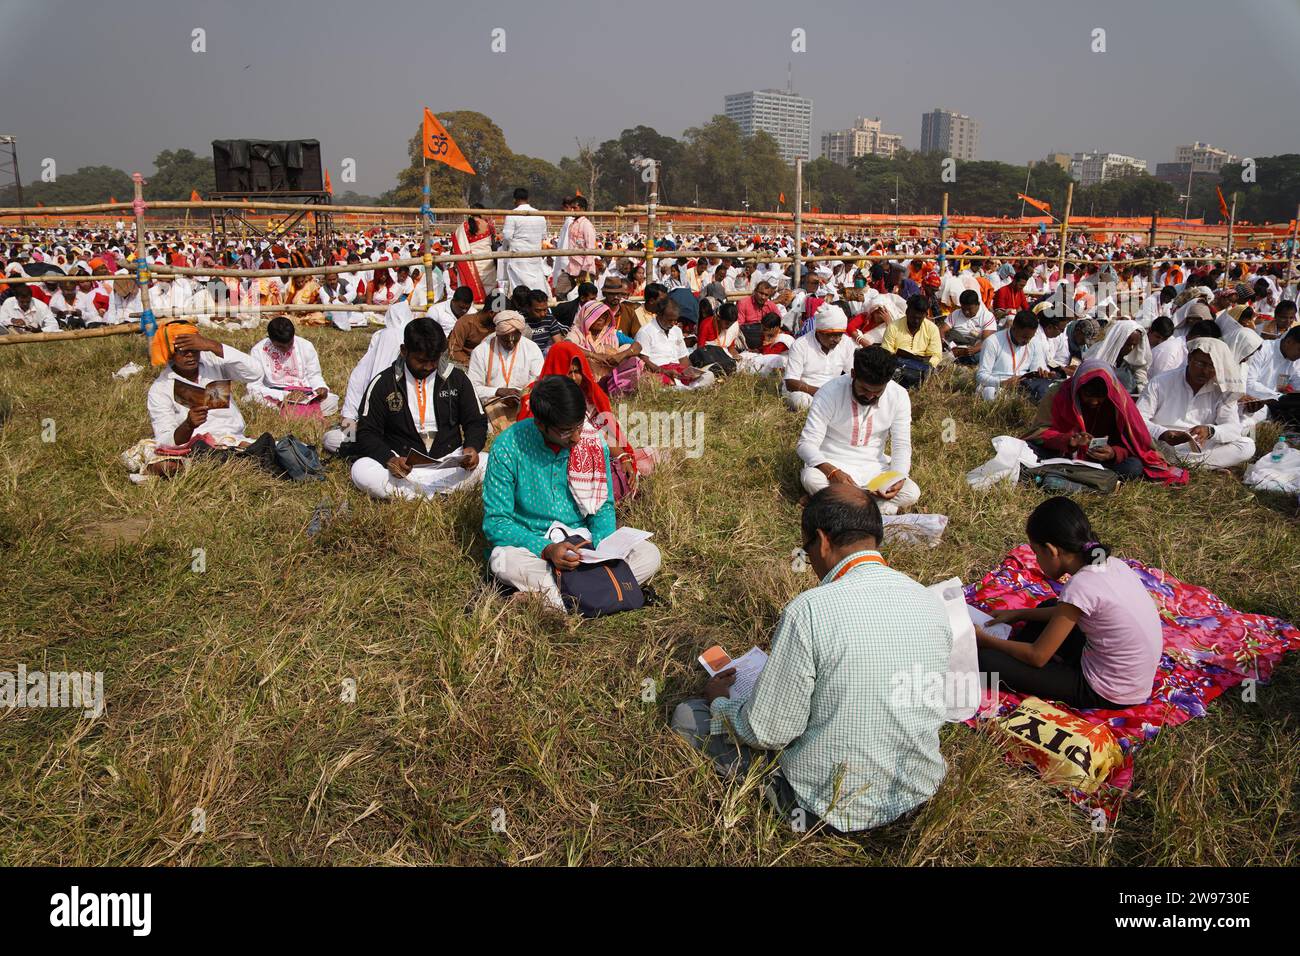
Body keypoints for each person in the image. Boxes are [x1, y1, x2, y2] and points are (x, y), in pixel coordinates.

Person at [670, 485, 951, 832]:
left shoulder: (809, 611)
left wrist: (720, 704)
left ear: (821, 540)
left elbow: (765, 733)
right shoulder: (928, 601)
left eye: (806, 548)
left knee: (687, 716)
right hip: (917, 792)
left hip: (827, 807)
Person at [483, 374, 661, 609]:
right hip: (536, 548)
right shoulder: (508, 447)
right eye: (567, 431)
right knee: (502, 560)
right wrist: (546, 549)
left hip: (584, 546)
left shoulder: (592, 440)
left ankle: (556, 599)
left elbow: (603, 505)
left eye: (579, 426)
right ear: (540, 424)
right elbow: (497, 522)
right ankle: (607, 590)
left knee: (649, 554)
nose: (577, 437)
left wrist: (603, 549)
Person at [975, 497, 1162, 710]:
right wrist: (1018, 614)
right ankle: (1031, 649)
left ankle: (1028, 654)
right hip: (1133, 676)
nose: (1036, 560)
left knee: (986, 661)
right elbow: (1071, 611)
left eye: (1037, 553)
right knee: (1049, 606)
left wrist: (985, 640)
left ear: (1052, 550)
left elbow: (1037, 657)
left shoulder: (1080, 586)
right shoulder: (1110, 563)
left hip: (1106, 690)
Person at [350, 317, 488, 499]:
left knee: (491, 462)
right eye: (421, 360)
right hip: (404, 469)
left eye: (434, 360)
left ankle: (415, 495)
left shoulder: (457, 379)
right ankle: (434, 493)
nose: (429, 366)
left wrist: (471, 448)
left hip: (449, 465)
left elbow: (476, 421)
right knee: (361, 469)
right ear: (404, 351)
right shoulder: (384, 383)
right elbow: (367, 432)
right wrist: (390, 459)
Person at [517, 341, 651, 500]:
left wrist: (623, 456)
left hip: (593, 452)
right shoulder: (534, 399)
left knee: (644, 459)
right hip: (554, 464)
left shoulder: (589, 394)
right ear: (556, 368)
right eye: (569, 372)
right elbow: (532, 447)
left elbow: (602, 433)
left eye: (578, 371)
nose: (574, 378)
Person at [796, 345, 921, 513]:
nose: (870, 396)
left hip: (875, 468)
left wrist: (897, 477)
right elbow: (805, 445)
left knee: (911, 493)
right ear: (853, 374)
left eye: (877, 392)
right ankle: (876, 509)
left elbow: (901, 444)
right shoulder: (829, 392)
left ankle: (835, 501)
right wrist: (832, 472)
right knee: (811, 479)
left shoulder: (898, 395)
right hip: (833, 464)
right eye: (864, 389)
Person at [1030, 361, 1188, 484]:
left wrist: (1113, 453)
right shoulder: (1058, 394)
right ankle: (1085, 476)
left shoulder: (1118, 401)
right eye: (1088, 395)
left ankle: (1073, 475)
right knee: (1031, 450)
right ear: (1077, 387)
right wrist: (1068, 441)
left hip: (1100, 461)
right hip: (1064, 454)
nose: (1094, 402)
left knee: (1133, 466)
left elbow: (1130, 442)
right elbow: (1040, 433)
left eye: (1100, 398)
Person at [1136, 338, 1255, 469]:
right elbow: (1138, 419)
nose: (1205, 371)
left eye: (1212, 366)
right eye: (1200, 364)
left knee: (1246, 445)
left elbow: (1232, 429)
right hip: (1160, 442)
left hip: (1196, 447)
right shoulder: (1161, 382)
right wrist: (1163, 433)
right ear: (1189, 358)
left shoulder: (1221, 390)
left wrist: (1210, 430)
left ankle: (1180, 463)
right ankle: (1187, 463)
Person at [146, 322, 263, 446]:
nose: (190, 355)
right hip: (195, 445)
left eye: (195, 350)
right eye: (183, 352)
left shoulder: (212, 361)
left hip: (233, 437)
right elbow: (164, 439)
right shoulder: (161, 388)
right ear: (171, 354)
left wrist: (213, 346)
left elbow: (255, 373)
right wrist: (188, 425)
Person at [467, 309, 544, 430]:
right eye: (506, 340)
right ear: (497, 335)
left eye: (516, 339)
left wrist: (521, 395)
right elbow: (471, 388)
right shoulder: (481, 351)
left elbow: (538, 381)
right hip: (491, 407)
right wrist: (497, 392)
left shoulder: (531, 348)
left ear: (520, 333)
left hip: (524, 405)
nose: (511, 344)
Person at [248, 315, 340, 415]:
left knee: (331, 401)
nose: (286, 348)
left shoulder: (305, 346)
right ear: (270, 339)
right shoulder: (258, 351)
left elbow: (314, 375)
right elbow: (254, 386)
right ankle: (304, 412)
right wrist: (285, 396)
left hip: (305, 394)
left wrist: (321, 387)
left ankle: (294, 412)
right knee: (250, 399)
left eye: (290, 344)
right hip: (276, 395)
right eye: (280, 346)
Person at [781, 304, 857, 411]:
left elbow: (852, 373)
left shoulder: (846, 343)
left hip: (834, 392)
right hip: (805, 393)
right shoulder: (801, 344)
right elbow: (791, 382)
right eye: (832, 335)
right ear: (819, 331)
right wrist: (823, 392)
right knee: (801, 401)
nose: (837, 339)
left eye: (840, 334)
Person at [634, 296, 715, 390]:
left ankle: (684, 388)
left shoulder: (676, 331)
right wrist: (664, 371)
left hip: (678, 371)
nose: (673, 323)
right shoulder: (645, 332)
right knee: (654, 381)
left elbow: (683, 358)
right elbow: (644, 361)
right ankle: (685, 389)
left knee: (709, 375)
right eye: (669, 320)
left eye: (675, 320)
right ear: (659, 314)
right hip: (658, 371)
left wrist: (691, 372)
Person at [566, 299, 643, 392]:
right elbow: (566, 345)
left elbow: (638, 346)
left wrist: (620, 356)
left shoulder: (611, 333)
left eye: (604, 316)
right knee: (575, 351)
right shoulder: (578, 332)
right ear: (587, 317)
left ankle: (618, 388)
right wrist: (595, 355)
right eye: (597, 316)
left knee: (627, 348)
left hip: (610, 377)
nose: (601, 320)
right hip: (586, 379)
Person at [975, 310, 1050, 401]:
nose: (1027, 341)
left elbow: (1037, 368)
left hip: (1023, 386)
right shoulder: (992, 342)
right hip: (1000, 385)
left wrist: (1042, 374)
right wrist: (1003, 383)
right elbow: (981, 376)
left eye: (1031, 337)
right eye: (1024, 337)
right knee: (989, 392)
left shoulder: (1035, 342)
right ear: (1014, 328)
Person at [881, 294, 942, 385]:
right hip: (898, 364)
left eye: (920, 318)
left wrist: (927, 366)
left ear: (925, 315)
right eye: (913, 317)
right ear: (907, 312)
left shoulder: (932, 329)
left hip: (922, 367)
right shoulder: (893, 327)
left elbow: (936, 355)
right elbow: (886, 352)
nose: (916, 321)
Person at [500, 188, 549, 295]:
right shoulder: (540, 215)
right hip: (535, 256)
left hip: (518, 257)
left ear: (515, 199)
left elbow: (507, 237)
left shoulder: (512, 214)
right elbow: (543, 236)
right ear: (528, 198)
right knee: (536, 285)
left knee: (519, 288)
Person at [1083, 318, 1152, 394]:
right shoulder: (1098, 355)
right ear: (1119, 341)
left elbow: (1141, 379)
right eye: (1128, 344)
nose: (1131, 348)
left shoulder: (1134, 359)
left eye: (1134, 345)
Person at [451, 206, 497, 303]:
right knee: (490, 290)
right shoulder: (489, 225)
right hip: (488, 263)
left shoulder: (464, 227)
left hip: (471, 263)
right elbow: (493, 243)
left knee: (471, 291)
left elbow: (457, 247)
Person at [945, 289, 997, 364]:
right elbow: (942, 330)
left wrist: (975, 349)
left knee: (981, 355)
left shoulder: (987, 316)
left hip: (976, 347)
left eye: (969, 309)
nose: (966, 312)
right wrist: (949, 346)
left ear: (978, 304)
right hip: (957, 346)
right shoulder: (956, 313)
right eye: (963, 309)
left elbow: (987, 340)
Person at [446, 298, 499, 367]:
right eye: (501, 315)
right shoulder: (465, 323)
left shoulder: (500, 326)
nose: (504, 319)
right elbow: (454, 351)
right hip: (466, 367)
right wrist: (473, 366)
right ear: (491, 313)